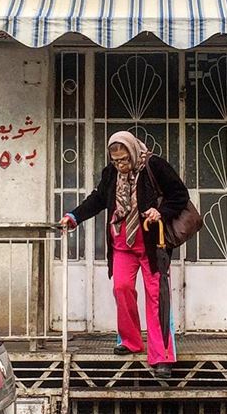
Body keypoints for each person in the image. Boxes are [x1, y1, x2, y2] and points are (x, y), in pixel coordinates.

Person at [60, 131, 189, 379]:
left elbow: (180, 196)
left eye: (124, 160)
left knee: (156, 297)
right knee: (122, 288)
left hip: (153, 246)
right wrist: (74, 217)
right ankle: (130, 341)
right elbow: (98, 199)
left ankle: (162, 356)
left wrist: (160, 211)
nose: (120, 165)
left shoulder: (154, 165)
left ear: (132, 152)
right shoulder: (111, 173)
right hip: (122, 244)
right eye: (116, 160)